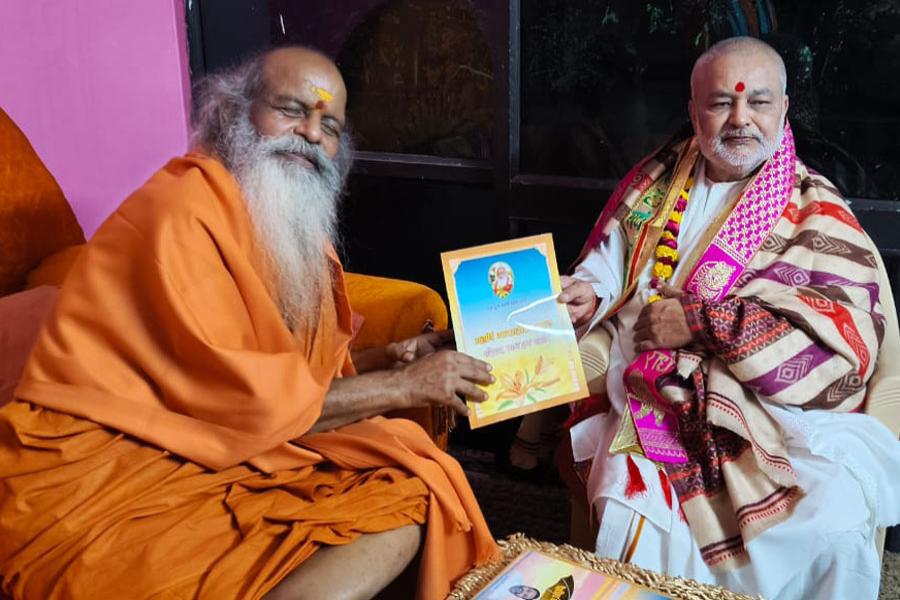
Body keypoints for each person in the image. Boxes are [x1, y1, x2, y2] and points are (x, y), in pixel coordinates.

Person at [0, 46, 499, 600]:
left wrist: (393, 357)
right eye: (292, 109)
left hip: (231, 445)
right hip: (110, 469)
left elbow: (285, 375)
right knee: (407, 476)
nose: (311, 133)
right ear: (234, 113)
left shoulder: (285, 226)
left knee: (411, 486)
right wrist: (403, 386)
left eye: (329, 124)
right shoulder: (179, 212)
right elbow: (238, 397)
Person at [558, 37, 900, 600]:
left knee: (836, 515)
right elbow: (609, 265)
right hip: (656, 390)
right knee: (631, 508)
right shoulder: (656, 182)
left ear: (783, 110)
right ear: (694, 112)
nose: (740, 119)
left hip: (778, 413)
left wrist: (701, 323)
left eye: (758, 103)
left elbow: (849, 332)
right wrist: (590, 295)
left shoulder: (818, 207)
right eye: (720, 103)